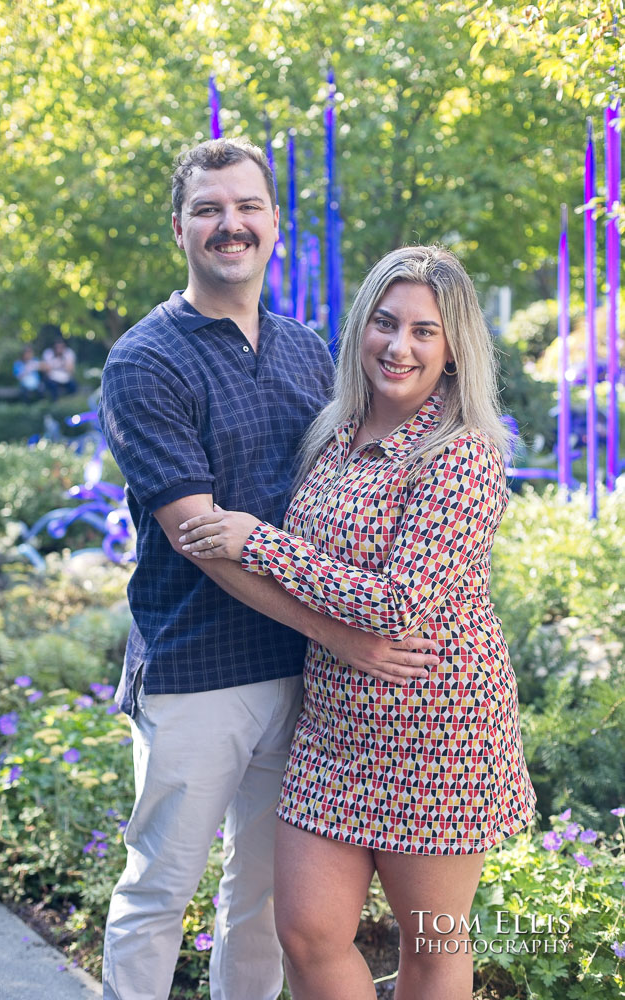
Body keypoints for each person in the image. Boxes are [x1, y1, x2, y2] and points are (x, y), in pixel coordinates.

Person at [98, 140, 437, 1000]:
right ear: (180, 227)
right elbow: (196, 536)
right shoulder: (146, 360)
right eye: (208, 209)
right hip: (197, 669)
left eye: (246, 207)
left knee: (262, 899)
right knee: (159, 892)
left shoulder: (305, 351)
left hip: (301, 677)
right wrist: (342, 634)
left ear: (273, 225)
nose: (229, 224)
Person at [178, 245, 538, 1000]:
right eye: (384, 323)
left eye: (423, 332)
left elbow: (398, 602)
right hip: (336, 723)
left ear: (452, 350)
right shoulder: (335, 435)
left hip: (438, 726)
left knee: (431, 943)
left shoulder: (462, 454)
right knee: (306, 934)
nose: (398, 346)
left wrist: (258, 541)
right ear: (360, 330)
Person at [41, 335, 77, 399]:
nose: (59, 349)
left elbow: (71, 369)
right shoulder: (48, 353)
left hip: (65, 377)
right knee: (51, 386)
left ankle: (69, 401)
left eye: (61, 347)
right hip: (52, 378)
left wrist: (63, 361)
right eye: (57, 347)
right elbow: (46, 369)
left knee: (73, 385)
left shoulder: (69, 353)